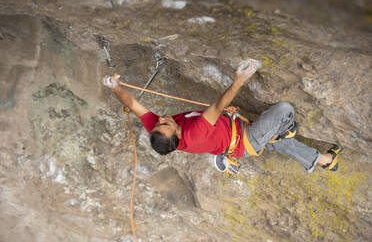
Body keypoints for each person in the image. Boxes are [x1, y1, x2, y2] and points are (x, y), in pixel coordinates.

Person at [101, 60, 342, 174]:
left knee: (276, 142)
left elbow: (133, 105)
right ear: (177, 135)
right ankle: (283, 131)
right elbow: (218, 104)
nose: (162, 118)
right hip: (245, 139)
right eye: (166, 124)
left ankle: (323, 161)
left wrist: (115, 88)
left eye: (160, 123)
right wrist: (239, 79)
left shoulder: (160, 131)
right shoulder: (194, 133)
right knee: (283, 111)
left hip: (231, 130)